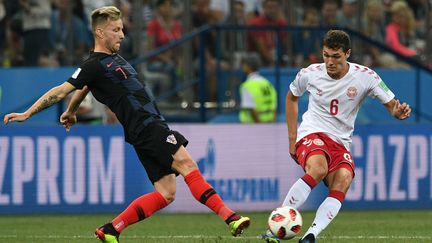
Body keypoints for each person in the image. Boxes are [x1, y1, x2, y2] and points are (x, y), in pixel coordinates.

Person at [3, 6, 250, 243]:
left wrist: (71, 110)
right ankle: (231, 218)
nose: (122, 34)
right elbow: (61, 90)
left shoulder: (111, 61)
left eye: (122, 29)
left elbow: (86, 86)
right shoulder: (93, 64)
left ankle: (111, 229)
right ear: (100, 32)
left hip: (143, 130)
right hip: (148, 126)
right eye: (116, 30)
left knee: (166, 193)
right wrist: (28, 113)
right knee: (188, 164)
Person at [261, 30, 411, 243]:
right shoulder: (309, 73)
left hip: (340, 142)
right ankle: (275, 226)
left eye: (335, 56)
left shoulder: (366, 77)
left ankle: (311, 235)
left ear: (347, 53)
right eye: (326, 55)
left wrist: (397, 112)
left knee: (343, 180)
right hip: (312, 133)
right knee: (319, 169)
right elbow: (291, 98)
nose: (329, 62)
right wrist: (292, 139)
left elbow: (392, 105)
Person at [239, 53, 277, 123]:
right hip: (269, 124)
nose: (243, 67)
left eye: (244, 64)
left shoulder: (247, 86)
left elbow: (251, 110)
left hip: (252, 127)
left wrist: (260, 126)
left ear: (248, 66)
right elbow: (274, 107)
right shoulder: (267, 83)